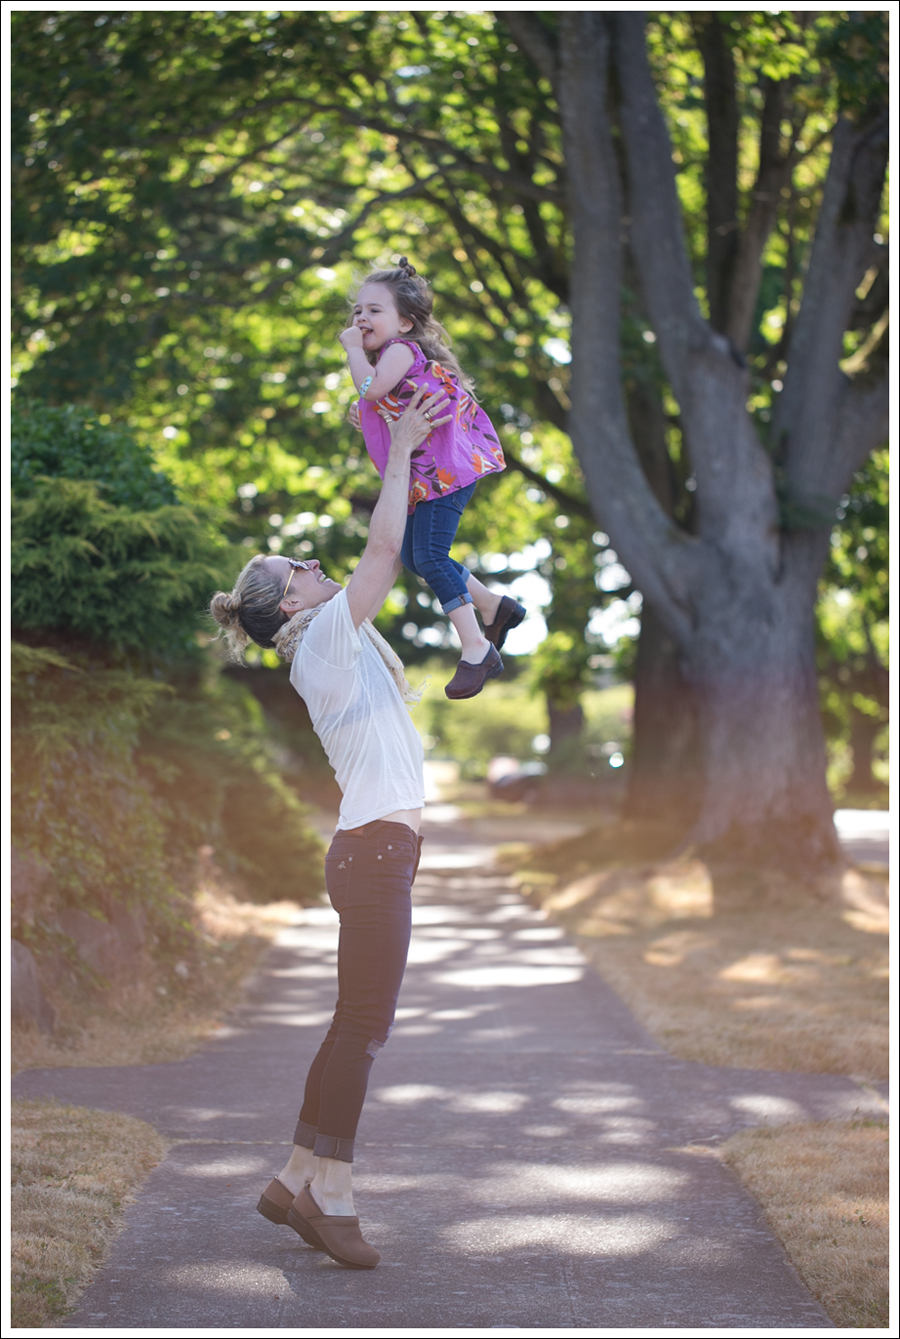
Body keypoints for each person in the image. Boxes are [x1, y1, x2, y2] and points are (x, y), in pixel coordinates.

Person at [209, 387, 452, 1270]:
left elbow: (390, 546)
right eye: (302, 563)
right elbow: (383, 547)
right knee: (363, 1029)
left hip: (374, 850)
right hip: (375, 854)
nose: (318, 563)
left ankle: (291, 1177)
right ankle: (332, 1195)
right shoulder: (322, 641)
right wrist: (401, 449)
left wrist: (414, 466)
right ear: (289, 600)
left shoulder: (331, 642)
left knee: (350, 1023)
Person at [340, 256, 526, 699]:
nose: (362, 318)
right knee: (413, 551)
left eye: (374, 310)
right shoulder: (390, 357)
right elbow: (381, 399)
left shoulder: (400, 351)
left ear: (405, 324)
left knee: (430, 555)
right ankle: (492, 606)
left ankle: (477, 647)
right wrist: (366, 413)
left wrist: (351, 351)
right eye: (358, 310)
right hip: (430, 476)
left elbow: (373, 388)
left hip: (445, 474)